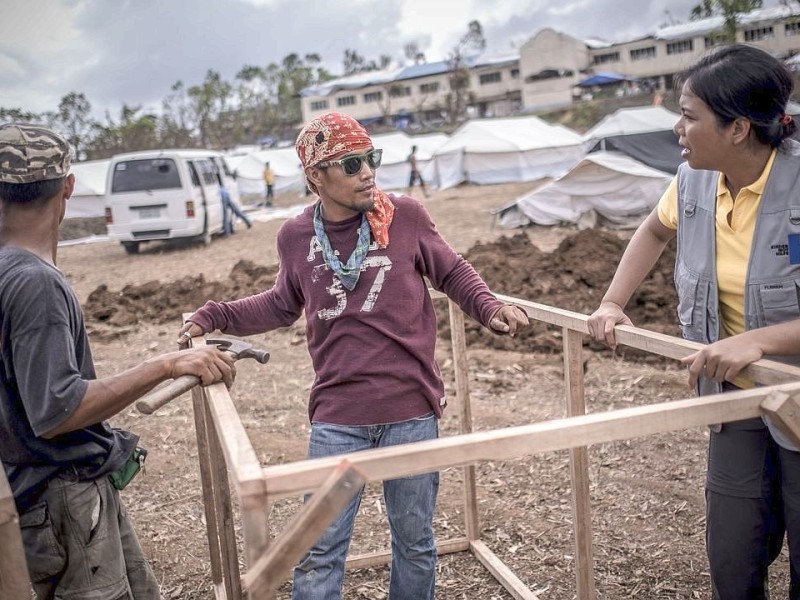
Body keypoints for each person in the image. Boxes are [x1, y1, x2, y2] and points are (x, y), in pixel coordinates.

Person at [177, 111, 529, 600]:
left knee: (415, 542)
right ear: (315, 176)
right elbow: (281, 303)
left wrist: (489, 307)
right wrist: (213, 314)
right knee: (318, 548)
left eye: (371, 158)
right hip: (338, 417)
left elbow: (453, 273)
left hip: (411, 411)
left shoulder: (404, 216)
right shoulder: (296, 237)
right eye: (351, 163)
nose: (367, 171)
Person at [586, 44, 800, 599]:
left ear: (738, 129)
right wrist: (612, 301)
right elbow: (654, 232)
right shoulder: (692, 180)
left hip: (797, 396)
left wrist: (755, 342)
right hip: (735, 395)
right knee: (733, 556)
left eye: (689, 114)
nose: (678, 128)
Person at [0, 123, 237, 599]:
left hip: (42, 493)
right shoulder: (34, 284)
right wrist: (167, 365)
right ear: (68, 187)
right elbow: (57, 410)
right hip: (60, 498)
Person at [217, 171, 252, 235]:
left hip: (222, 196)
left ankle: (227, 232)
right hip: (226, 194)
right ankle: (248, 222)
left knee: (225, 215)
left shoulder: (218, 182)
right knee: (237, 211)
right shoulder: (231, 181)